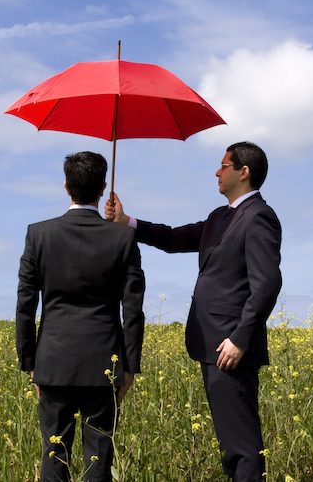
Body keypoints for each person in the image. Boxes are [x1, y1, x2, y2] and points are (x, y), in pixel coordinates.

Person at [106, 141, 282, 481]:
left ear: (243, 173)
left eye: (224, 165)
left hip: (230, 348)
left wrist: (240, 339)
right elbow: (174, 238)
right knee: (232, 444)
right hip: (212, 343)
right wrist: (126, 221)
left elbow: (267, 284)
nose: (217, 171)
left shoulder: (259, 217)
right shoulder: (220, 216)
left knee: (242, 445)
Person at [16, 151, 146, 482]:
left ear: (65, 185)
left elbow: (26, 304)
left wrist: (30, 362)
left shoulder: (38, 234)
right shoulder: (124, 237)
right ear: (103, 187)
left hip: (52, 361)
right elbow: (133, 309)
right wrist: (130, 366)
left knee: (54, 454)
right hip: (105, 360)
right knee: (98, 458)